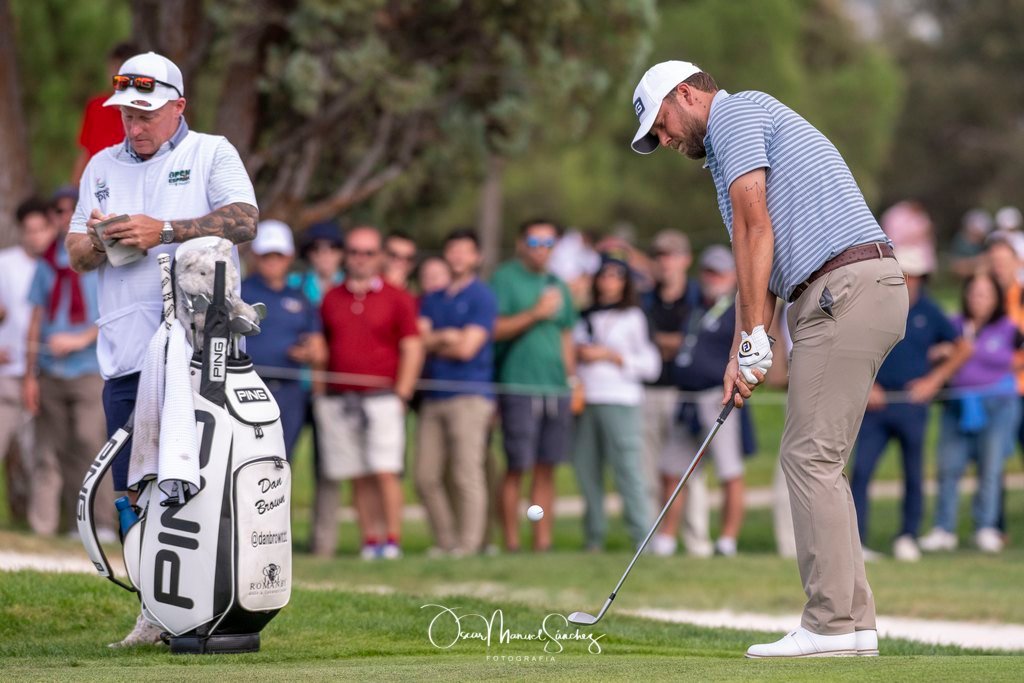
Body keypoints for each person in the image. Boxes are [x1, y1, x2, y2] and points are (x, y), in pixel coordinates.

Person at [631, 60, 908, 658]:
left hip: (843, 288)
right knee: (819, 461)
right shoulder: (732, 142)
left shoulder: (736, 114)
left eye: (661, 124)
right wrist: (744, 349)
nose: (664, 139)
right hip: (841, 290)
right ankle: (855, 625)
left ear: (687, 95)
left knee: (808, 457)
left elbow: (757, 229)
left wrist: (758, 335)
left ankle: (829, 624)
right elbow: (759, 261)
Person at [66, 51, 258, 647]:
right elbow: (75, 253)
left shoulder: (211, 151)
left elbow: (246, 221)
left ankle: (208, 603)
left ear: (179, 106)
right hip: (126, 350)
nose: (135, 125)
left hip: (201, 352)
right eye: (127, 114)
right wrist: (102, 240)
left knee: (198, 481)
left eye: (146, 114)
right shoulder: (101, 165)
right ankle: (154, 608)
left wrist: (165, 231)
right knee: (133, 487)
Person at [850, 246, 970, 562]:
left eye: (914, 276)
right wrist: (867, 384)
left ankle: (907, 535)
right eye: (903, 275)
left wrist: (934, 381)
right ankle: (855, 541)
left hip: (911, 404)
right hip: (875, 404)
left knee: (913, 472)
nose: (908, 281)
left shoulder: (930, 311)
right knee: (861, 471)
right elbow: (855, 347)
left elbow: (962, 348)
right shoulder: (874, 306)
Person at [313, 226, 423, 559]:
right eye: (355, 252)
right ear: (347, 255)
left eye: (368, 253)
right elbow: (322, 349)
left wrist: (403, 394)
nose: (361, 258)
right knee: (357, 473)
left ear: (380, 257)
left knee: (385, 471)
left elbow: (412, 347)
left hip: (383, 398)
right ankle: (370, 540)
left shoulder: (397, 297)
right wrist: (320, 394)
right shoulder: (332, 297)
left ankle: (392, 540)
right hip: (341, 399)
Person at [23, 191, 116, 540]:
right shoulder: (46, 263)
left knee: (90, 444)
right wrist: (30, 374)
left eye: (68, 209)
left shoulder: (101, 255)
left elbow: (112, 311)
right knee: (51, 450)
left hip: (90, 368)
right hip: (50, 370)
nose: (62, 216)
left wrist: (79, 340)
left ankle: (102, 524)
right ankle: (55, 528)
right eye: (56, 211)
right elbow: (36, 317)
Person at [655, 246, 748, 558]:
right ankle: (667, 539)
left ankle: (728, 540)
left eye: (719, 273)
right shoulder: (696, 308)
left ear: (732, 276)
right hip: (686, 397)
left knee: (729, 470)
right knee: (672, 469)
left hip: (718, 397)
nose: (712, 278)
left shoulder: (738, 310)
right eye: (708, 272)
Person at [919, 273, 1022, 554]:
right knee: (948, 467)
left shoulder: (1008, 328)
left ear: (996, 298)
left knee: (990, 468)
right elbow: (930, 352)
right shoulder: (953, 326)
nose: (979, 299)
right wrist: (941, 353)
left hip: (998, 406)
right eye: (974, 293)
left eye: (985, 294)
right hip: (957, 406)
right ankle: (944, 528)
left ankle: (985, 527)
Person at [492, 219, 577, 553]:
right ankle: (512, 543)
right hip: (518, 385)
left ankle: (543, 542)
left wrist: (572, 380)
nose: (542, 249)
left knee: (547, 467)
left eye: (548, 243)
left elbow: (566, 335)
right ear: (521, 244)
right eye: (535, 242)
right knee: (517, 466)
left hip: (556, 388)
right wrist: (536, 313)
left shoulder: (559, 284)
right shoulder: (504, 279)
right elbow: (495, 329)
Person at [416, 229, 498, 556]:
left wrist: (440, 340)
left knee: (466, 474)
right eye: (453, 250)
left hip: (471, 396)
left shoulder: (482, 296)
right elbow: (421, 341)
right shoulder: (433, 298)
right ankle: (447, 541)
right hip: (434, 395)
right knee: (425, 476)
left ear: (477, 257)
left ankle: (469, 545)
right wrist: (447, 337)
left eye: (465, 250)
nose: (458, 256)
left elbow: (467, 349)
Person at [572, 254, 659, 551]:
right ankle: (593, 538)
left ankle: (642, 538)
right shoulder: (584, 316)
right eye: (604, 275)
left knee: (628, 471)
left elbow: (651, 365)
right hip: (586, 400)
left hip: (620, 400)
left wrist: (610, 356)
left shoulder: (634, 316)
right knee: (586, 471)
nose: (609, 281)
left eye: (616, 276)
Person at [640, 230, 711, 557]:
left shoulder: (699, 298)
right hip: (649, 391)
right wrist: (672, 343)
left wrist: (664, 343)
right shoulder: (645, 299)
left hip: (688, 395)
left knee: (690, 473)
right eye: (659, 255)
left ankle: (697, 542)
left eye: (670, 255)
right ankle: (654, 541)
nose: (664, 262)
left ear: (685, 259)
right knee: (649, 469)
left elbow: (696, 342)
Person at [241, 220, 326, 459]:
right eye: (266, 255)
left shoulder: (300, 298)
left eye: (278, 255)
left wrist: (308, 353)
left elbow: (318, 348)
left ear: (289, 257)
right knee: (245, 457)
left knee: (282, 459)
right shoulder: (240, 292)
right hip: (247, 388)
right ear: (256, 256)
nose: (272, 261)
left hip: (290, 392)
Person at [0, 199, 57, 523]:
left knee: (44, 456)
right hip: (8, 374)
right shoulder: (5, 264)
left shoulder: (64, 265)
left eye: (41, 229)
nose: (36, 237)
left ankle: (43, 528)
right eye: (29, 230)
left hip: (47, 373)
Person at [70, 42, 139, 186]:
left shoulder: (142, 111)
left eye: (119, 70)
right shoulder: (96, 105)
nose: (114, 76)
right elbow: (84, 153)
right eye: (111, 69)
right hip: (95, 183)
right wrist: (74, 188)